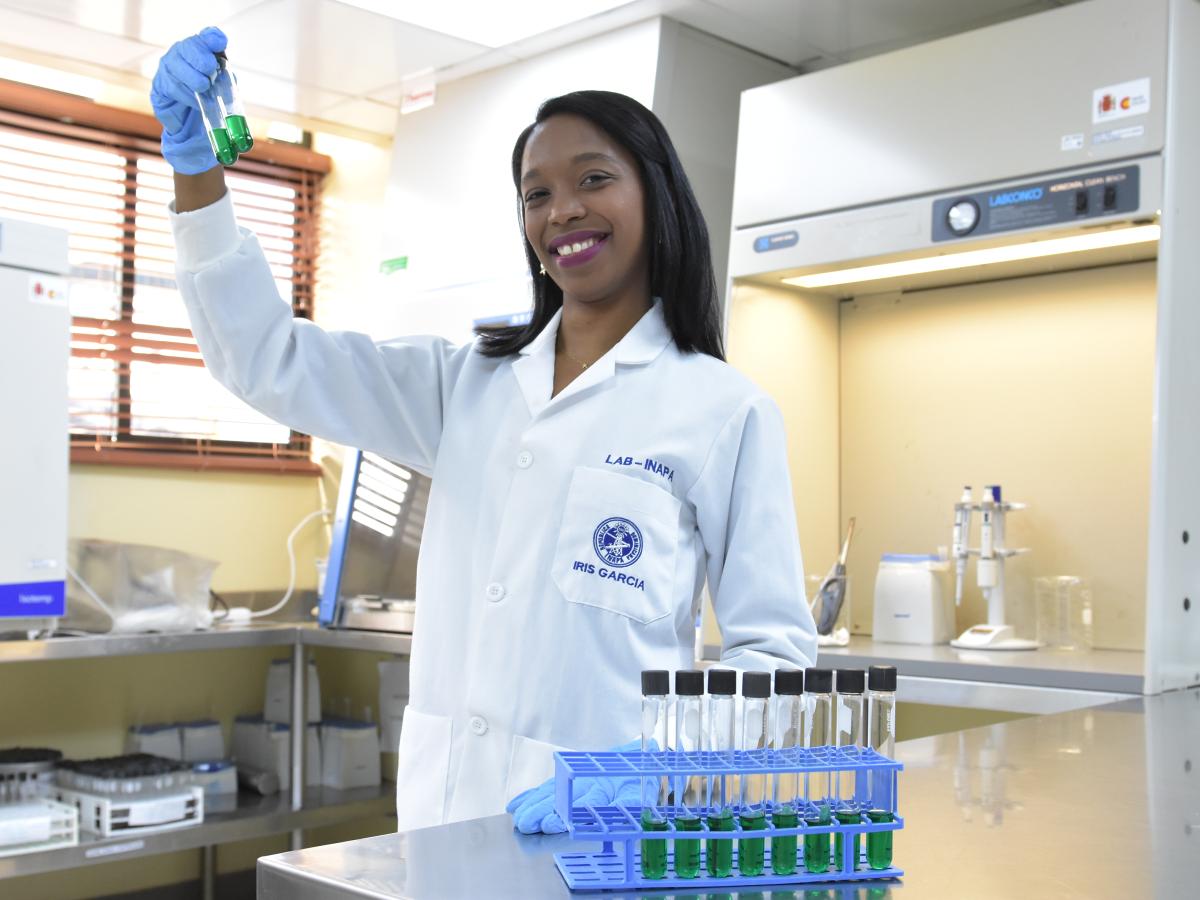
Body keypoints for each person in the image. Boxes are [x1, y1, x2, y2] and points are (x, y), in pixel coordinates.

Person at [152, 27, 817, 834]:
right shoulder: (462, 384)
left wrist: (665, 765)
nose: (562, 209)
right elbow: (267, 358)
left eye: (594, 179)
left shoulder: (722, 411)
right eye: (536, 195)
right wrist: (198, 175)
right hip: (441, 824)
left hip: (600, 839)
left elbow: (775, 657)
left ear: (658, 196)